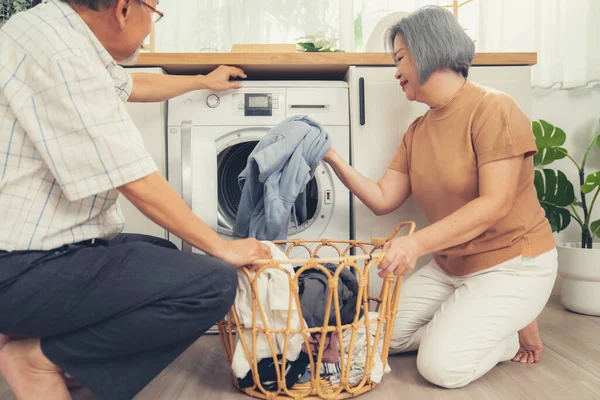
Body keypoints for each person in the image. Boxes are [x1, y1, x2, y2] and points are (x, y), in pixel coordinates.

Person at [0, 1, 272, 399]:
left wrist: (202, 81)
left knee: (162, 253)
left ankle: (65, 357)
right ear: (124, 9)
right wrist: (223, 247)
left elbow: (131, 85)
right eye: (155, 13)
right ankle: (38, 359)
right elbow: (134, 177)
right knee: (211, 283)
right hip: (20, 268)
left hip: (30, 255)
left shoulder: (53, 30)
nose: (150, 29)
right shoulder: (64, 54)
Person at [323, 5, 557, 389]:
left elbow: (494, 204)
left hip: (514, 263)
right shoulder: (418, 131)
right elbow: (383, 198)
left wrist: (414, 244)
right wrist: (331, 156)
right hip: (452, 268)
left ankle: (509, 329)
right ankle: (479, 320)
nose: (396, 72)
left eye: (400, 59)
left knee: (440, 367)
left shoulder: (493, 108)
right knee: (382, 336)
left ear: (428, 49)